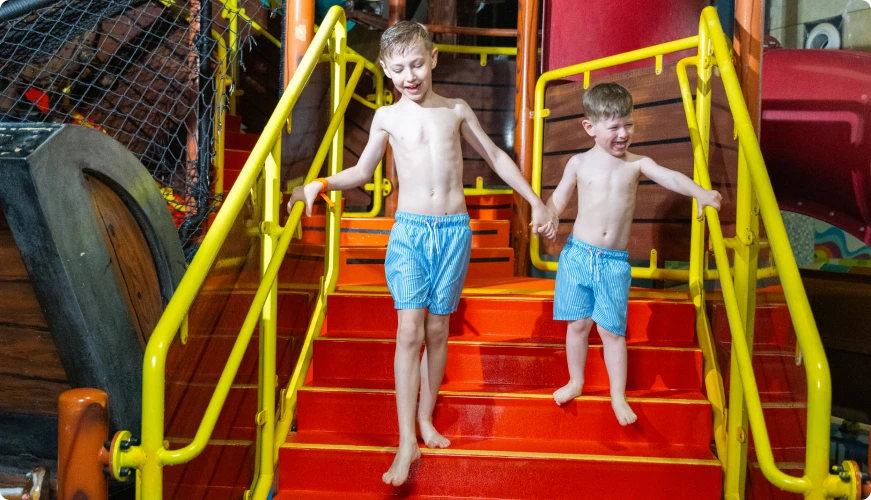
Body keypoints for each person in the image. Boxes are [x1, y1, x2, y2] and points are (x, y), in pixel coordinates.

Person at [287, 20, 556, 486]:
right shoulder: (388, 117)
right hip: (409, 232)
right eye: (398, 69)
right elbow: (362, 170)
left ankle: (426, 419)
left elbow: (494, 156)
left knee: (436, 330)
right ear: (386, 70)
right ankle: (405, 440)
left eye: (416, 64)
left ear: (433, 59)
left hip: (453, 232)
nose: (409, 76)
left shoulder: (455, 109)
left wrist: (534, 200)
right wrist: (321, 183)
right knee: (409, 329)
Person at [545, 82, 721, 425]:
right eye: (614, 127)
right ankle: (576, 381)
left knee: (612, 331)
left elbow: (670, 177)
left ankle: (617, 395)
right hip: (578, 256)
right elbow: (559, 200)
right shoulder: (578, 163)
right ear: (590, 127)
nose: (623, 133)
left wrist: (699, 192)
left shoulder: (637, 163)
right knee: (578, 324)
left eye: (629, 124)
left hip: (612, 264)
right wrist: (547, 215)